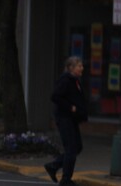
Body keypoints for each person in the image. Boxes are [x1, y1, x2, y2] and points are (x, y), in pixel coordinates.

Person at [44, 56, 88, 186]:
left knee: (77, 147)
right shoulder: (66, 80)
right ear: (71, 68)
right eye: (79, 66)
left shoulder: (75, 81)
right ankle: (66, 180)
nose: (82, 68)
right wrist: (71, 107)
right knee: (71, 149)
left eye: (81, 65)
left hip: (72, 119)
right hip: (64, 118)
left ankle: (54, 165)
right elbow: (55, 96)